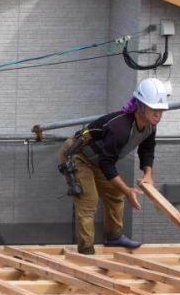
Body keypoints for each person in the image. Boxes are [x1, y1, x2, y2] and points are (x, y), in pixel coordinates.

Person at [58, 77, 170, 254]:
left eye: (161, 111)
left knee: (115, 194)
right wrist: (128, 190)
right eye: (154, 109)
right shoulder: (121, 127)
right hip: (77, 156)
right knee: (89, 200)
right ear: (140, 106)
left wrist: (148, 173)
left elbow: (147, 150)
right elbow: (107, 163)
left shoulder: (150, 126)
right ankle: (86, 249)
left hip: (99, 159)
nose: (158, 115)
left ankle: (114, 237)